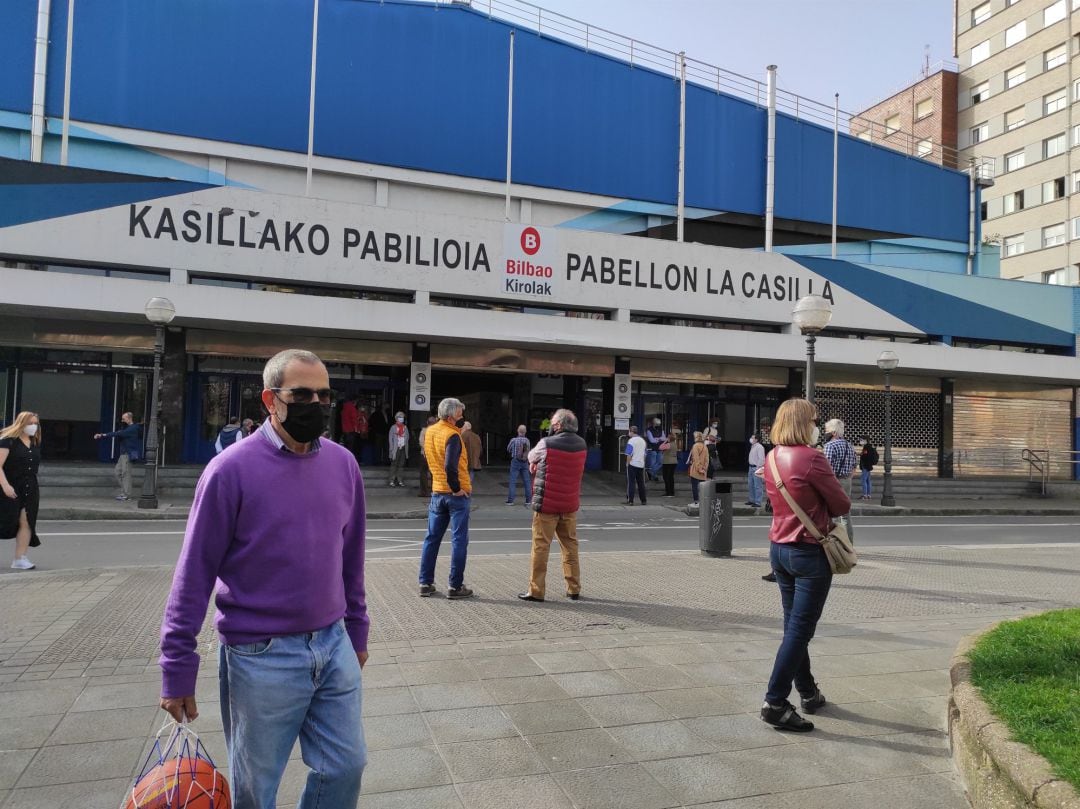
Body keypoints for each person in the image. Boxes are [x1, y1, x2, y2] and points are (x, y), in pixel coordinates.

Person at [158, 349, 369, 809]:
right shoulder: (229, 470)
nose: (316, 403)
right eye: (302, 394)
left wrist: (358, 631)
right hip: (260, 654)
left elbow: (350, 558)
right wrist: (177, 664)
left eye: (324, 394)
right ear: (270, 400)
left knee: (346, 766)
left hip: (332, 645)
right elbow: (194, 571)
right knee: (256, 790)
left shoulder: (342, 465)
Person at [759, 397, 850, 732]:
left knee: (792, 628)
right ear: (803, 423)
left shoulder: (771, 457)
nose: (816, 425)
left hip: (779, 549)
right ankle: (775, 702)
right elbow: (842, 502)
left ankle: (808, 693)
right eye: (813, 420)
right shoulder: (812, 458)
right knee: (800, 630)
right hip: (809, 553)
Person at [518, 409, 587, 602]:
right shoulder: (582, 444)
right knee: (570, 546)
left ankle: (536, 590)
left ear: (558, 425)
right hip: (569, 505)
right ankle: (573, 588)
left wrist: (537, 464)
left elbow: (531, 457)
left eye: (552, 424)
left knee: (541, 547)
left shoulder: (547, 443)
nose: (550, 426)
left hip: (547, 505)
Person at [418, 398, 474, 599]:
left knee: (431, 538)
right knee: (459, 540)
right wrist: (457, 488)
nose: (462, 418)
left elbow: (433, 458)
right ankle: (455, 586)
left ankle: (425, 583)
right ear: (451, 417)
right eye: (460, 414)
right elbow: (450, 465)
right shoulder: (452, 435)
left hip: (437, 491)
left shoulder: (431, 431)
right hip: (455, 495)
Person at [0, 412, 42, 571]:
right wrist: (5, 485)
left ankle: (20, 558)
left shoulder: (34, 442)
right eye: (30, 423)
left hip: (29, 486)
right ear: (21, 423)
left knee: (26, 521)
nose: (33, 426)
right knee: (5, 520)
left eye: (35, 423)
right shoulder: (8, 441)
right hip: (9, 485)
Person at [94, 412, 143, 501]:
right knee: (117, 472)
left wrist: (102, 435)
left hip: (128, 454)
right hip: (123, 454)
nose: (122, 421)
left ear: (129, 418)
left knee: (126, 474)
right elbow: (119, 433)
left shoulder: (133, 428)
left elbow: (117, 434)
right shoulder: (128, 428)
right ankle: (124, 492)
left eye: (124, 419)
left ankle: (127, 495)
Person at [823, 418, 857, 483]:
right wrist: (848, 479)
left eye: (827, 431)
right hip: (847, 481)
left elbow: (826, 467)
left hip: (833, 482)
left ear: (834, 433)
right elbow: (854, 466)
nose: (826, 433)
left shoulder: (829, 445)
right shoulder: (850, 445)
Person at [505, 425, 532, 506]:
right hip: (524, 462)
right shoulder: (527, 440)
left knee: (513, 481)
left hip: (515, 461)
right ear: (525, 432)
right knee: (527, 481)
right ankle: (528, 500)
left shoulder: (513, 440)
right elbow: (528, 450)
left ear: (518, 431)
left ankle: (511, 501)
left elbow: (508, 449)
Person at [624, 426, 647, 505]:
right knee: (641, 483)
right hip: (641, 464)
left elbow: (629, 454)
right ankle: (643, 500)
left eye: (629, 432)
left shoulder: (631, 441)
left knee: (631, 482)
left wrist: (627, 463)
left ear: (631, 432)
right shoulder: (643, 441)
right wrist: (643, 462)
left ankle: (630, 500)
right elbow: (645, 454)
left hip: (633, 464)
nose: (628, 433)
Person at [687, 431, 709, 508]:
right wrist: (704, 469)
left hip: (696, 470)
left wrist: (699, 469)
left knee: (695, 486)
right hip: (703, 470)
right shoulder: (705, 446)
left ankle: (696, 502)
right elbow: (707, 459)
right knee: (702, 487)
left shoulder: (695, 446)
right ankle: (702, 502)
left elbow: (696, 459)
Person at [387, 411, 409, 487]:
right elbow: (390, 439)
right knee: (394, 464)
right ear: (396, 418)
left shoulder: (405, 427)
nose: (401, 418)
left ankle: (400, 480)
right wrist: (391, 449)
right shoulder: (393, 427)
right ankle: (391, 480)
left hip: (403, 448)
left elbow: (407, 438)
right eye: (400, 417)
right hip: (395, 449)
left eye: (402, 417)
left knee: (401, 465)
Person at [417, 415, 437, 498]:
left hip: (425, 454)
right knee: (434, 473)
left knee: (423, 473)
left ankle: (424, 492)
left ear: (427, 422)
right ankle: (434, 491)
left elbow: (421, 442)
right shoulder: (437, 431)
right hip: (434, 455)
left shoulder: (424, 431)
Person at [746, 434, 765, 507]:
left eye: (752, 438)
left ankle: (757, 502)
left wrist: (758, 468)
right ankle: (752, 500)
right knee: (751, 484)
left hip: (756, 468)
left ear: (756, 439)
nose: (751, 439)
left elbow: (762, 459)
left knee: (757, 485)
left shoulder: (759, 447)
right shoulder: (753, 446)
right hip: (751, 467)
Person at [660, 431, 678, 497]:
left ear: (669, 438)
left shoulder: (668, 444)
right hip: (674, 462)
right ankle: (671, 492)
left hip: (667, 462)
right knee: (670, 477)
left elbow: (660, 447)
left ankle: (668, 492)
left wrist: (665, 441)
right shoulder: (675, 444)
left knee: (666, 477)